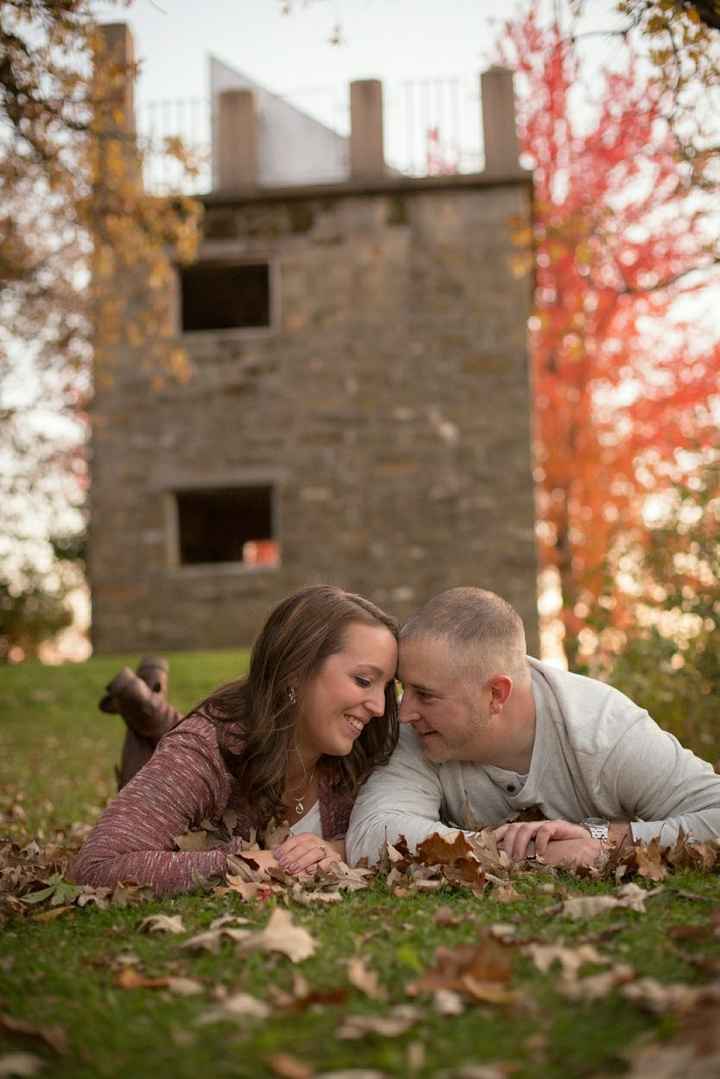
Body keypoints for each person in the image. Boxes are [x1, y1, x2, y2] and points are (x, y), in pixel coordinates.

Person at [346, 587, 720, 868]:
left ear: (496, 693)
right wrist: (523, 851)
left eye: (425, 695)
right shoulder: (417, 730)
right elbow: (371, 832)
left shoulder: (603, 728)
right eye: (403, 689)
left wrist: (601, 839)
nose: (403, 711)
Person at [70, 585, 399, 896]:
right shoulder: (205, 748)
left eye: (385, 688)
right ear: (295, 671)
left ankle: (152, 711)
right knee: (176, 750)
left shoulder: (370, 745)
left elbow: (424, 827)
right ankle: (150, 717)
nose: (380, 708)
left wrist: (340, 848)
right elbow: (96, 868)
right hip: (199, 751)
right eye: (363, 680)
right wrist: (252, 863)